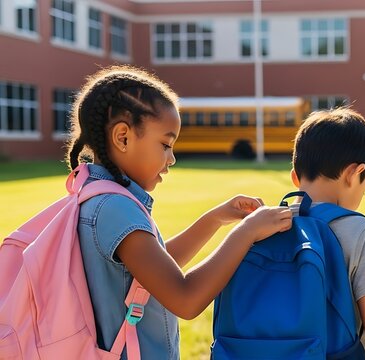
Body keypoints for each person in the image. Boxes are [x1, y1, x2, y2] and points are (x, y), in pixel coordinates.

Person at [67, 65, 292, 359]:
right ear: (123, 137)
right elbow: (185, 298)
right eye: (165, 144)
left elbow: (156, 269)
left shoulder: (96, 196)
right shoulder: (115, 208)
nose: (171, 158)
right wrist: (247, 232)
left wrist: (216, 218)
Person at [289, 108, 365, 353]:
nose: (361, 198)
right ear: (354, 174)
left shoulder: (262, 225)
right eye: (364, 189)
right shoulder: (358, 230)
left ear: (295, 177)